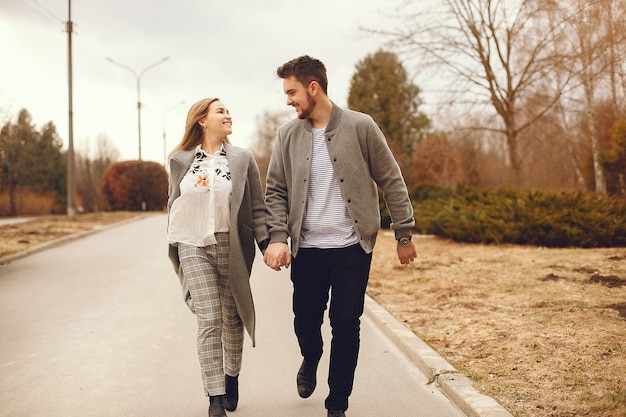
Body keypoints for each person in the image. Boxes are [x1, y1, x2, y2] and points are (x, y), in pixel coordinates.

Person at [263, 55, 418, 417]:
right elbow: (275, 191)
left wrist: (404, 233)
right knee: (305, 321)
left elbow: (391, 178)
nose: (288, 100)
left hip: (352, 247)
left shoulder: (360, 126)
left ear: (313, 88)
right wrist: (277, 237)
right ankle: (311, 355)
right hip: (308, 250)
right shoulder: (287, 135)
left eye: (292, 92)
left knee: (346, 323)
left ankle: (337, 405)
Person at [167, 97, 269, 417]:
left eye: (228, 111)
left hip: (231, 245)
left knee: (232, 317)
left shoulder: (241, 159)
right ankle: (215, 396)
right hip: (191, 244)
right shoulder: (180, 160)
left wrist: (268, 244)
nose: (228, 115)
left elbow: (257, 207)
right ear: (202, 120)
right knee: (209, 317)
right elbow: (175, 202)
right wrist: (174, 241)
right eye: (221, 111)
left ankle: (232, 375)